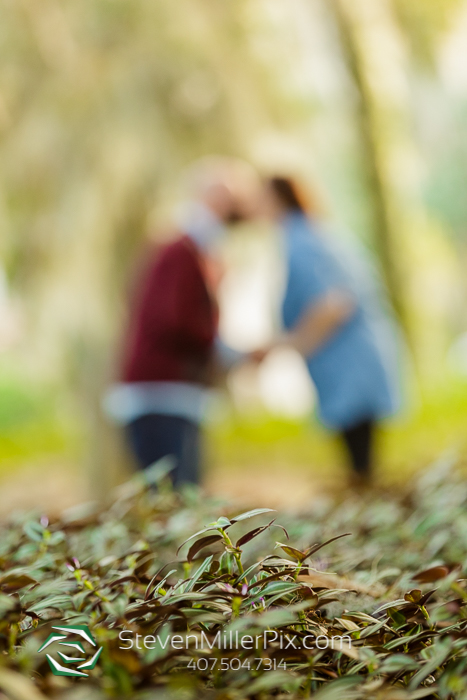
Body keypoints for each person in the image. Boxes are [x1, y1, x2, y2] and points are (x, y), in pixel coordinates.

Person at [105, 157, 258, 487]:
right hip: (160, 395)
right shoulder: (181, 251)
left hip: (176, 394)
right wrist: (231, 354)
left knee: (183, 496)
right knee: (175, 499)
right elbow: (174, 322)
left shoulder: (195, 252)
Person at [261, 175, 400, 485]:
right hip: (356, 361)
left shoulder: (302, 241)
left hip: (348, 365)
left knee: (361, 465)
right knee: (363, 461)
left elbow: (334, 303)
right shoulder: (319, 233)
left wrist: (293, 343)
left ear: (277, 200)